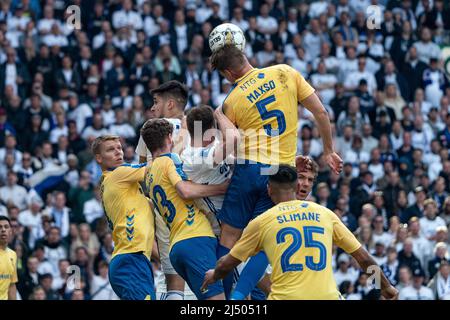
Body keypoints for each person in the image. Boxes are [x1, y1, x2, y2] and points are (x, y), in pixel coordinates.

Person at [210, 43, 343, 299]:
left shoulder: (232, 100)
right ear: (245, 57)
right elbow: (321, 112)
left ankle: (227, 301)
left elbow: (228, 142)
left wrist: (219, 114)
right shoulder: (285, 72)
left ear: (228, 73)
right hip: (279, 173)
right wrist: (328, 150)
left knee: (228, 238)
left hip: (249, 168)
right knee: (266, 240)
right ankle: (240, 297)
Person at [202, 165, 398, 300]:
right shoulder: (325, 214)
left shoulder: (262, 222)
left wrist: (214, 275)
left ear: (269, 190)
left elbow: (228, 263)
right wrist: (385, 287)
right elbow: (363, 259)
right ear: (296, 187)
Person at [141, 118, 228, 300]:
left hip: (176, 248)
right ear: (169, 137)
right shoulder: (169, 160)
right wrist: (222, 188)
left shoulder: (148, 174)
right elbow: (185, 190)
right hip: (194, 237)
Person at [135, 80, 190, 300]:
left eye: (156, 102)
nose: (152, 108)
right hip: (193, 212)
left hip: (163, 210)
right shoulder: (199, 128)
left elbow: (140, 169)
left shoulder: (150, 129)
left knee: (172, 280)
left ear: (170, 104)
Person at [93, 135, 155, 300]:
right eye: (110, 150)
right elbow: (156, 167)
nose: (118, 152)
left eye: (119, 148)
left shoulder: (124, 186)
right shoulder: (119, 174)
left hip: (134, 259)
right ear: (99, 158)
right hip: (130, 260)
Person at [0, 216, 18, 300]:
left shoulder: (13, 255)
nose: (3, 230)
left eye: (6, 227)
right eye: (0, 227)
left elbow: (12, 284)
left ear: (10, 231)